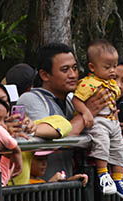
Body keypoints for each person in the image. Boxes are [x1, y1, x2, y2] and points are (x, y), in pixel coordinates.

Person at [14, 42, 109, 183]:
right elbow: (58, 137)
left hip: (66, 186)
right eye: (65, 70)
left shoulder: (72, 101)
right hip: (39, 191)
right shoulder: (30, 99)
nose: (73, 75)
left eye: (75, 68)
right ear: (45, 75)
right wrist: (87, 112)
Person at [72, 40, 123, 200]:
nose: (112, 71)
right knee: (102, 143)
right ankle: (103, 174)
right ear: (92, 67)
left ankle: (118, 179)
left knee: (119, 146)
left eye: (114, 66)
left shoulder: (111, 83)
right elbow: (76, 99)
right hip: (98, 120)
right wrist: (85, 112)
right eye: (107, 67)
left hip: (112, 120)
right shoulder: (88, 83)